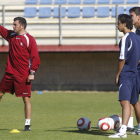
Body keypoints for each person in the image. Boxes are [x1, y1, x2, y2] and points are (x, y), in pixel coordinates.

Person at [0, 17, 40, 131]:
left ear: (22, 26)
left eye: (15, 24)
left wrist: (32, 72)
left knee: (26, 99)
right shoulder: (11, 35)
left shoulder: (30, 39)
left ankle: (27, 125)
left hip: (23, 75)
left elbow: (35, 58)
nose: (13, 26)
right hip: (9, 73)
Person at [108, 14, 140, 138]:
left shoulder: (126, 38)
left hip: (126, 74)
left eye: (118, 23)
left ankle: (122, 131)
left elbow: (122, 59)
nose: (117, 25)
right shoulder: (137, 37)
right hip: (135, 73)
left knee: (124, 102)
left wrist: (118, 75)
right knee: (134, 101)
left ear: (124, 24)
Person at [128, 6, 140, 132]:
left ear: (138, 16)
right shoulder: (136, 32)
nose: (130, 19)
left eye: (131, 16)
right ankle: (131, 125)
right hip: (136, 70)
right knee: (133, 98)